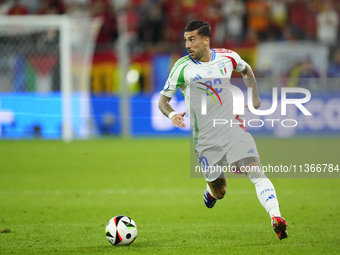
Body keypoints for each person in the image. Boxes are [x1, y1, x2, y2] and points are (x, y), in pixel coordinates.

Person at [158, 20, 288, 240]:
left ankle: (276, 216)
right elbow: (163, 100)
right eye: (186, 40)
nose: (187, 45)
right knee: (221, 191)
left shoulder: (227, 57)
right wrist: (172, 114)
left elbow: (245, 69)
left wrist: (254, 98)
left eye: (192, 39)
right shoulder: (182, 67)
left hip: (233, 128)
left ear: (206, 40)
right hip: (206, 140)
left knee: (255, 170)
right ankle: (211, 191)